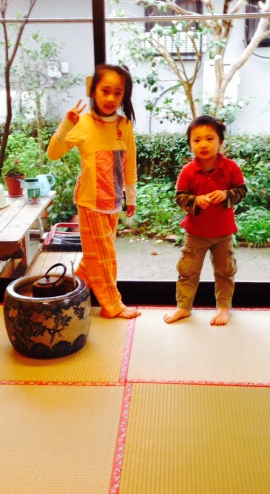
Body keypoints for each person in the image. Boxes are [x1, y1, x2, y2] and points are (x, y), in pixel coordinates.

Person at [47, 64, 141, 319]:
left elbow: (129, 163)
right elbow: (53, 153)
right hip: (90, 203)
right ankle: (112, 305)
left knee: (94, 257)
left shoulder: (124, 125)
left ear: (124, 95)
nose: (110, 98)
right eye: (105, 90)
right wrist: (66, 125)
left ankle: (67, 296)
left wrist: (131, 197)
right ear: (93, 91)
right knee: (104, 257)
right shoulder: (82, 123)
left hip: (114, 202)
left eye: (117, 93)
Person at [164, 115, 247, 326]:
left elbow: (241, 191)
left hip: (224, 233)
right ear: (190, 144)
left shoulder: (231, 167)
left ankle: (224, 308)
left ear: (221, 142)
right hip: (195, 234)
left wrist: (226, 194)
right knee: (187, 272)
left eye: (210, 139)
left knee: (225, 272)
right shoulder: (188, 171)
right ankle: (183, 307)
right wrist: (195, 200)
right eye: (197, 140)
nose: (203, 144)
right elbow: (180, 197)